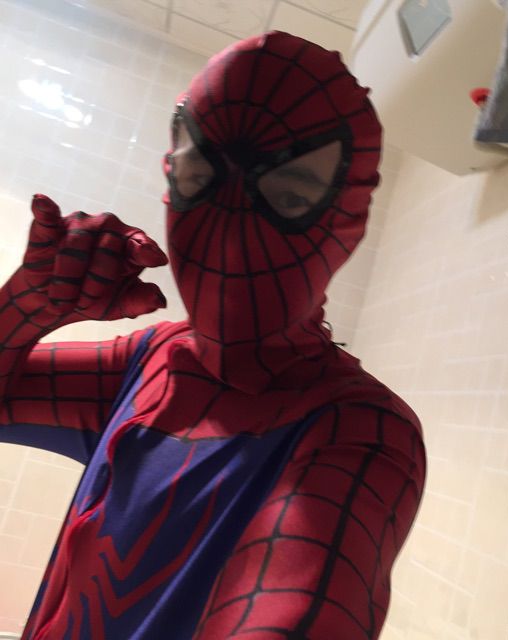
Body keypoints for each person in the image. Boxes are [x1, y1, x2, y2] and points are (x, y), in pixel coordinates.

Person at [0, 31, 426, 639]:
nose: (229, 232)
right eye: (200, 177)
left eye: (289, 196)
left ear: (348, 222)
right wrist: (25, 305)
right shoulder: (148, 361)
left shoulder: (361, 433)